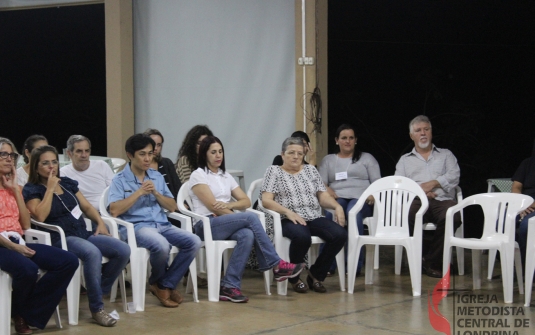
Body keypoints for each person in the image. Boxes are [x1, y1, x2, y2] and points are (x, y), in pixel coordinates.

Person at [23, 145, 130, 327]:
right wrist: (49, 189)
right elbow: (39, 215)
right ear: (35, 167)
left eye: (54, 162)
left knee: (122, 249)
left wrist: (101, 222)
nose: (51, 167)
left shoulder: (67, 183)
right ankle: (97, 308)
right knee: (92, 253)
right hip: (60, 238)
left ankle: (96, 288)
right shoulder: (32, 189)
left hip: (82, 232)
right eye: (45, 163)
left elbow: (87, 207)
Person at [189, 136, 305, 302]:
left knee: (247, 235)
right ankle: (276, 264)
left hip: (225, 221)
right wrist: (237, 216)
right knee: (250, 218)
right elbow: (213, 207)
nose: (218, 155)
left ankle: (229, 286)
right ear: (204, 155)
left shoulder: (225, 176)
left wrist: (230, 206)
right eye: (213, 152)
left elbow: (246, 201)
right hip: (205, 224)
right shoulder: (198, 175)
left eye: (220, 151)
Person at [108, 134, 202, 308]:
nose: (147, 158)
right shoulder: (119, 180)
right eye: (142, 154)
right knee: (161, 245)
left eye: (150, 154)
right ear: (130, 155)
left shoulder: (156, 176)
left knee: (194, 241)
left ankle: (163, 284)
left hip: (162, 224)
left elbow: (173, 206)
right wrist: (138, 193)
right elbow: (114, 210)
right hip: (137, 227)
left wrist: (156, 194)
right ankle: (162, 283)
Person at [0, 137, 78, 335]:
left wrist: (15, 190)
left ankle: (27, 313)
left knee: (68, 261)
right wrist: (13, 247)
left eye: (12, 155)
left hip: (18, 239)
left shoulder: (16, 188)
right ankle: (19, 314)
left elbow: (26, 224)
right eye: (3, 154)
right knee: (28, 269)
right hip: (3, 245)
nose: (9, 159)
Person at [261, 137, 347, 294]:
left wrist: (337, 206)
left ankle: (316, 274)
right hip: (287, 218)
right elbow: (266, 200)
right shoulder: (273, 171)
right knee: (302, 237)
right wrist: (287, 212)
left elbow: (322, 196)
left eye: (300, 154)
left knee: (340, 234)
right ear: (282, 154)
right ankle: (294, 277)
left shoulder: (310, 170)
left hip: (313, 216)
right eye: (291, 153)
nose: (296, 157)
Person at [394, 115, 462, 278]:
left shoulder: (446, 155)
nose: (423, 133)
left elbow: (454, 175)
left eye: (426, 129)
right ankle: (416, 258)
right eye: (418, 131)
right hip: (416, 200)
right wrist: (420, 190)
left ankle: (431, 261)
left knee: (454, 215)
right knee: (405, 216)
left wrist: (433, 183)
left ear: (431, 132)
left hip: (442, 199)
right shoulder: (404, 160)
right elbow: (399, 183)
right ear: (412, 136)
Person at [319, 124, 381, 275]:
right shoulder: (328, 160)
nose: (348, 141)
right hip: (337, 197)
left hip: (361, 199)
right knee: (332, 213)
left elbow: (378, 182)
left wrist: (372, 194)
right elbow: (320, 183)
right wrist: (328, 189)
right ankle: (327, 265)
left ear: (356, 140)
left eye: (351, 138)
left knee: (353, 212)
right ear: (336, 140)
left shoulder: (366, 158)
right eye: (344, 138)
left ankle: (353, 265)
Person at [60, 135, 114, 210]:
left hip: (109, 211)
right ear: (69, 153)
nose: (84, 155)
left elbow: (114, 192)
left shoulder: (102, 165)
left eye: (87, 151)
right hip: (85, 216)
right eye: (79, 151)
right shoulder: (63, 173)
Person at [144, 129, 182, 200]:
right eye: (153, 144)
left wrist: (181, 204)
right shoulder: (140, 166)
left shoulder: (166, 163)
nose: (155, 148)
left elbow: (177, 187)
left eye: (159, 145)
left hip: (171, 204)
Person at [511, 156, 535, 270]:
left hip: (532, 207)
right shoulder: (528, 163)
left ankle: (527, 268)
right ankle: (511, 265)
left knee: (525, 227)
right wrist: (523, 204)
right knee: (500, 224)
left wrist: (532, 204)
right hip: (523, 205)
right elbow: (516, 187)